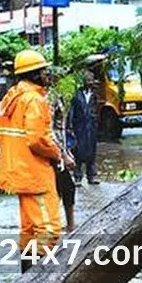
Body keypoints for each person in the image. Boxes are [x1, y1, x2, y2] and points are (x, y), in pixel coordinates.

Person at [0, 50, 72, 272]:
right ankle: (38, 280)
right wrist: (58, 154)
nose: (47, 75)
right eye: (44, 71)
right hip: (35, 174)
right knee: (49, 229)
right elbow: (37, 140)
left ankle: (25, 279)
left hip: (18, 171)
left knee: (30, 230)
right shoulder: (34, 99)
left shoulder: (12, 97)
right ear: (34, 74)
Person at [48, 67, 77, 233]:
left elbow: (62, 128)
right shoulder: (49, 98)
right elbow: (49, 130)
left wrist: (67, 150)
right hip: (53, 152)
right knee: (61, 188)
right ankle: (60, 225)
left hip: (61, 147)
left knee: (67, 188)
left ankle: (69, 225)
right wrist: (63, 154)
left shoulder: (59, 97)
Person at [69, 70, 100, 186]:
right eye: (88, 80)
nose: (90, 82)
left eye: (91, 80)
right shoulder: (76, 95)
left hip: (91, 127)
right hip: (79, 126)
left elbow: (96, 110)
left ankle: (91, 176)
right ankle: (77, 177)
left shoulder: (94, 95)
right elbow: (72, 111)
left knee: (92, 151)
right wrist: (70, 126)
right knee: (78, 151)